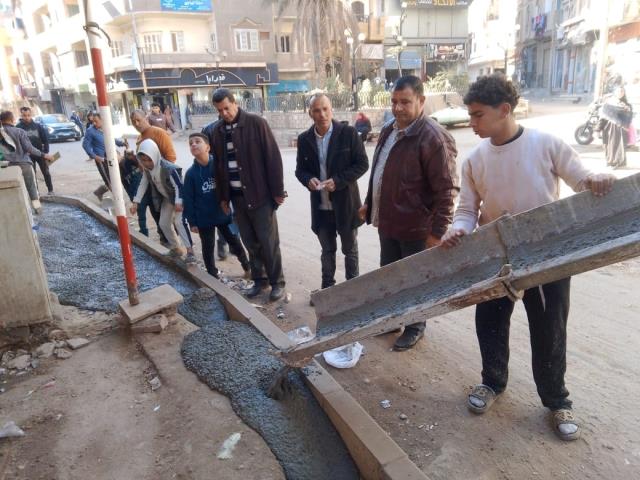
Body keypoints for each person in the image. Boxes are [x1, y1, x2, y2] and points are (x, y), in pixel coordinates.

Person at [440, 73, 617, 442]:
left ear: (504, 110)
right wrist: (458, 229)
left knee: (549, 328)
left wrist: (597, 179)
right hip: (496, 257)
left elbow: (582, 179)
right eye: (470, 115)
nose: (471, 123)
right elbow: (468, 210)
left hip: (547, 255)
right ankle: (492, 383)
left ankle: (557, 401)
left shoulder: (546, 144)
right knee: (490, 322)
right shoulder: (475, 160)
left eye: (477, 115)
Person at [360, 75, 459, 352]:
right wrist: (370, 204)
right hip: (389, 222)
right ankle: (393, 320)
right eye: (394, 102)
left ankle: (415, 326)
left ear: (421, 101)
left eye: (405, 102)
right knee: (391, 277)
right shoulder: (389, 130)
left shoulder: (433, 138)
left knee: (415, 281)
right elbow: (380, 172)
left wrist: (437, 233)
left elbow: (448, 190)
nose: (398, 108)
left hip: (417, 229)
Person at [211, 88, 286, 301]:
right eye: (220, 110)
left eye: (227, 108)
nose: (224, 113)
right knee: (250, 242)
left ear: (235, 103)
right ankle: (259, 281)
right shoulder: (217, 131)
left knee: (268, 243)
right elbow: (219, 167)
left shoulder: (256, 124)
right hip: (237, 198)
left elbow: (273, 158)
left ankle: (277, 283)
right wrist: (223, 197)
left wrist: (277, 191)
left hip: (260, 196)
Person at [295, 94, 368, 290]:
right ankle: (328, 289)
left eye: (325, 109)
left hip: (345, 205)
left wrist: (338, 180)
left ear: (331, 109)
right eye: (317, 110)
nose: (322, 114)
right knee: (327, 250)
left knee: (350, 250)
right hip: (321, 207)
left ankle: (353, 289)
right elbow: (300, 170)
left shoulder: (348, 133)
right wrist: (307, 180)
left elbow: (362, 164)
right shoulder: (304, 139)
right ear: (310, 113)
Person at [183, 133, 251, 278]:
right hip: (204, 218)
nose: (193, 144)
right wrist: (192, 222)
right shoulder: (190, 174)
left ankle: (247, 267)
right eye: (190, 143)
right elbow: (188, 200)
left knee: (235, 242)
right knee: (208, 247)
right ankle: (212, 275)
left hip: (223, 214)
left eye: (197, 141)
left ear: (207, 147)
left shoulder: (220, 166)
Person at [130, 139, 195, 262]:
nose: (147, 163)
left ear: (155, 155)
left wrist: (178, 201)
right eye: (143, 160)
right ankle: (176, 248)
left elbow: (179, 186)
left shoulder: (168, 168)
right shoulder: (147, 170)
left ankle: (190, 251)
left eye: (149, 160)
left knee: (179, 222)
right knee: (163, 223)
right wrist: (136, 202)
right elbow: (143, 184)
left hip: (179, 197)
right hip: (167, 199)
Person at [128, 109, 178, 240]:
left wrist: (159, 175)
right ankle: (170, 242)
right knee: (160, 216)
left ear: (146, 118)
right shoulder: (140, 138)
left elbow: (171, 158)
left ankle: (180, 243)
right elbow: (143, 166)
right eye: (133, 122)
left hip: (166, 183)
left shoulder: (159, 133)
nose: (137, 124)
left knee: (177, 219)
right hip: (152, 183)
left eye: (139, 120)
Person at [0, 111, 54, 213]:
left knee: (12, 189)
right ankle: (37, 209)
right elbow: (29, 148)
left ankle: (17, 211)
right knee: (31, 188)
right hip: (23, 164)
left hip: (6, 167)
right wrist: (44, 154)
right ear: (12, 120)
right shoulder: (19, 131)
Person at [82, 113, 127, 201]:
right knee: (109, 181)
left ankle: (99, 192)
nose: (94, 123)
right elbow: (85, 145)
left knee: (117, 178)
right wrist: (95, 156)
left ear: (102, 120)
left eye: (96, 121)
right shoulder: (90, 131)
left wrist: (122, 144)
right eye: (93, 121)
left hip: (112, 157)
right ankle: (119, 202)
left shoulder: (105, 128)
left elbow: (111, 139)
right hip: (101, 160)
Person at [16, 106, 53, 195]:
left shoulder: (38, 126)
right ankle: (36, 193)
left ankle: (50, 190)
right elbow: (17, 143)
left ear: (31, 115)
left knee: (46, 172)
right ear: (21, 115)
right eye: (24, 115)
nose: (27, 117)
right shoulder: (18, 128)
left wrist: (46, 152)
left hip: (40, 154)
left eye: (28, 115)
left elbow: (45, 140)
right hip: (28, 155)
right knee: (32, 174)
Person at [601, 85, 633, 169]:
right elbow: (603, 116)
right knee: (609, 145)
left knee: (619, 146)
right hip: (609, 127)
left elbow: (629, 117)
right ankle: (610, 161)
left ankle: (618, 162)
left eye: (622, 91)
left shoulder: (627, 105)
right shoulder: (609, 103)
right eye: (618, 91)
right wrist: (598, 129)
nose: (620, 93)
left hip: (622, 128)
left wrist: (627, 110)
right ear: (615, 92)